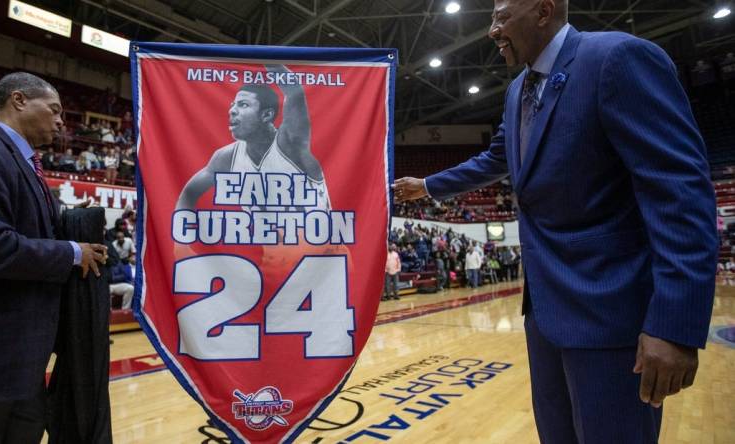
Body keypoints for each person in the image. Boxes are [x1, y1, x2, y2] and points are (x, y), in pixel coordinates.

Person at [392, 1, 717, 442]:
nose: (491, 30)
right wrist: (428, 186)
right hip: (544, 315)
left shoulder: (616, 59)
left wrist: (674, 326)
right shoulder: (516, 91)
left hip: (610, 314)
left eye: (501, 17)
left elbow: (680, 192)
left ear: (543, 11)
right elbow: (497, 158)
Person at [0, 72, 108, 443]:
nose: (61, 121)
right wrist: (72, 252)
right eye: (54, 110)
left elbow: (25, 231)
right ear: (19, 100)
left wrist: (67, 221)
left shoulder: (24, 163)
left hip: (23, 359)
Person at [176, 64, 330, 213]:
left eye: (243, 105)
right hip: (269, 239)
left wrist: (268, 58)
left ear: (266, 115)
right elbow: (189, 193)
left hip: (318, 238)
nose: (232, 111)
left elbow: (294, 91)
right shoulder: (226, 157)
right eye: (232, 104)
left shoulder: (290, 143)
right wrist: (182, 237)